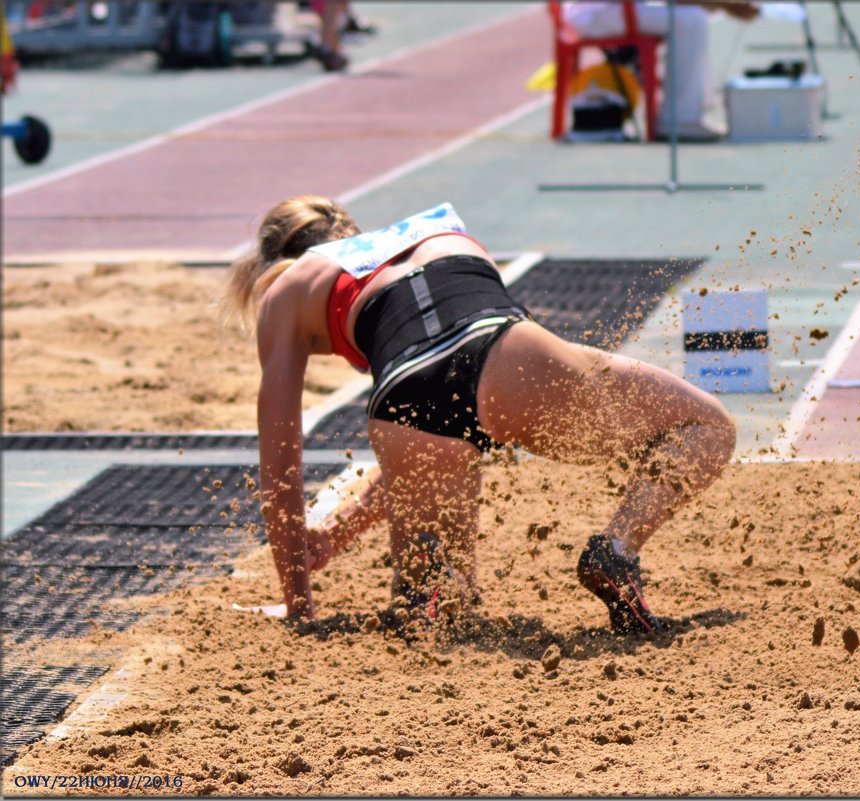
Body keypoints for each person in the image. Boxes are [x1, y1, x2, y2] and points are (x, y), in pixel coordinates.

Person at [223, 197, 736, 635]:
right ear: (347, 229)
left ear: (278, 258)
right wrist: (339, 530)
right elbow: (464, 354)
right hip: (502, 353)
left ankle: (433, 588)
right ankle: (616, 551)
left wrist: (299, 604)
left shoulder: (288, 287)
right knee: (708, 429)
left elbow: (280, 470)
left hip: (405, 399)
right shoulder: (435, 228)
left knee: (443, 612)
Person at [563, 1, 760, 142]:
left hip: (601, 10)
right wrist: (726, 5)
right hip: (597, 13)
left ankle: (686, 113)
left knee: (690, 15)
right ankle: (680, 118)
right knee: (691, 20)